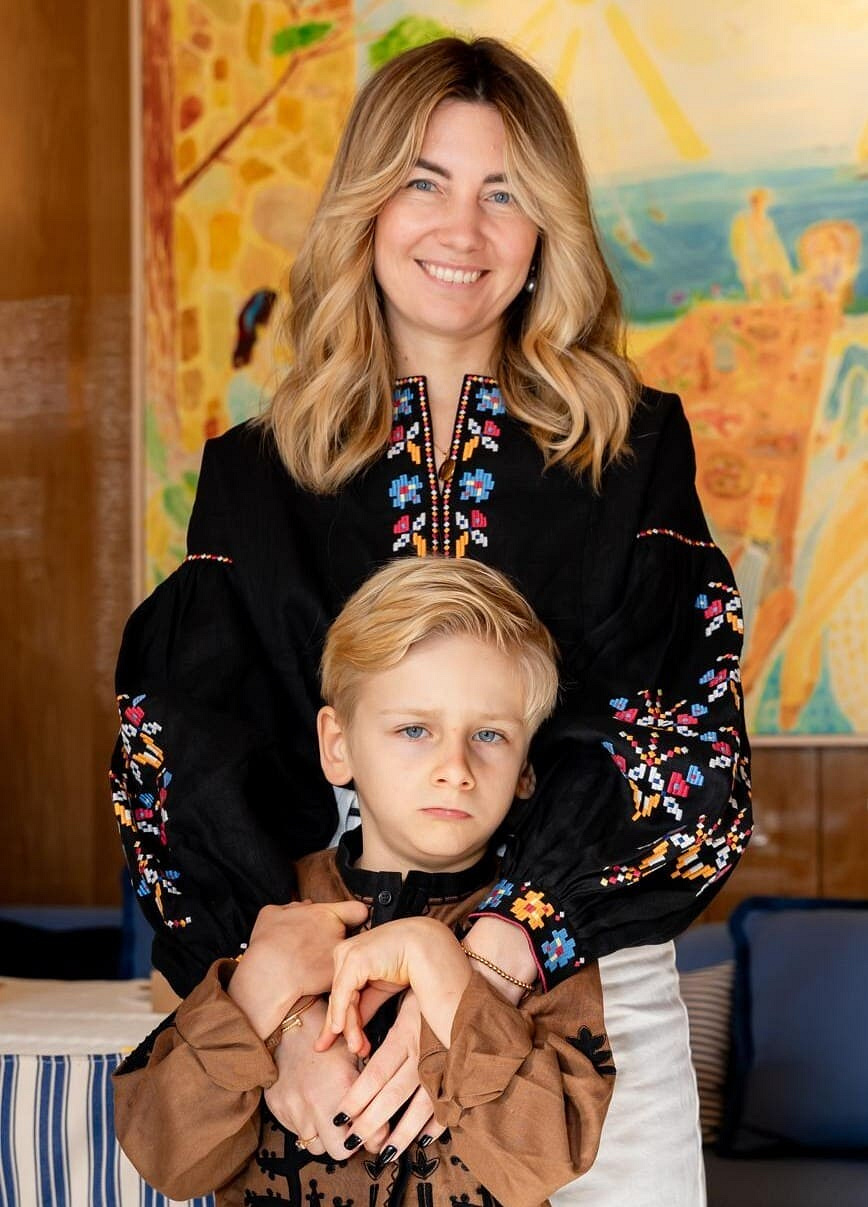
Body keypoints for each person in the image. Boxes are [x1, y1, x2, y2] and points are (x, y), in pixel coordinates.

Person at [112, 36, 751, 1205]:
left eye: (504, 192)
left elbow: (685, 742)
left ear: (546, 225)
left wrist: (497, 954)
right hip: (335, 1021)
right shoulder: (255, 475)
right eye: (425, 182)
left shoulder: (636, 448)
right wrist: (282, 1012)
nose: (464, 230)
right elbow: (189, 759)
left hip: (580, 1007)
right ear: (366, 203)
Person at [113, 558, 615, 1206]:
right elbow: (166, 1158)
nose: (455, 767)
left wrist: (448, 977)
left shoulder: (544, 939)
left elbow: (546, 1160)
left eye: (489, 734)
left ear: (526, 769)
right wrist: (257, 991)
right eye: (415, 729)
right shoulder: (268, 915)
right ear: (338, 744)